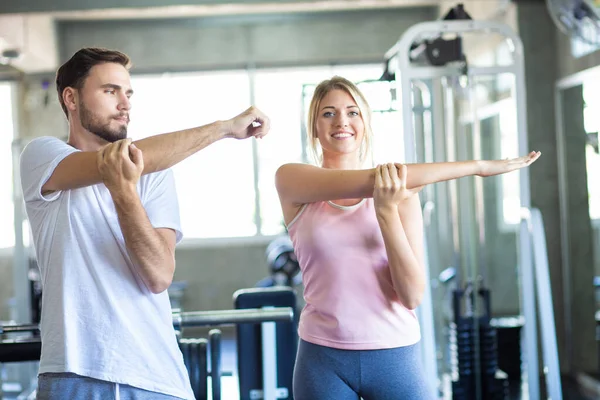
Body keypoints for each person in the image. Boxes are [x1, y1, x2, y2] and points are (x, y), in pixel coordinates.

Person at [19, 47, 270, 400]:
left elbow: (158, 276)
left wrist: (125, 193)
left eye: (128, 92)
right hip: (73, 374)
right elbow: (119, 160)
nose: (125, 104)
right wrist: (224, 128)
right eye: (110, 91)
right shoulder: (43, 157)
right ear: (71, 98)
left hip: (156, 379)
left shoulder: (156, 176)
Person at [274, 76, 540, 400]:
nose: (342, 121)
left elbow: (412, 295)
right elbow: (371, 180)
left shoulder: (401, 196)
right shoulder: (291, 180)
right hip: (322, 357)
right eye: (328, 113)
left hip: (394, 354)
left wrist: (386, 213)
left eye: (353, 112)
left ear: (365, 123)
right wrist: (478, 165)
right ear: (314, 126)